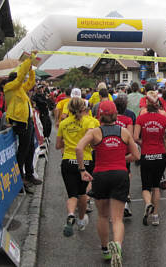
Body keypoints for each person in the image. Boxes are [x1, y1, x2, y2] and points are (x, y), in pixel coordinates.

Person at [76, 100, 140, 266]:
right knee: (117, 218)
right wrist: (121, 159)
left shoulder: (95, 132)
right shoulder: (124, 132)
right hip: (120, 174)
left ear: (100, 116)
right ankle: (117, 246)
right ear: (115, 115)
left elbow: (78, 148)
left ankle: (105, 250)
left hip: (101, 175)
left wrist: (82, 170)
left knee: (103, 215)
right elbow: (136, 155)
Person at [56, 97, 96, 237]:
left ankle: (71, 214)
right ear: (84, 108)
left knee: (72, 195)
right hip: (85, 161)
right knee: (82, 193)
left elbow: (57, 145)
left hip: (67, 161)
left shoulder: (63, 123)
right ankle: (80, 219)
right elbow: (95, 142)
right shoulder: (91, 121)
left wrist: (69, 142)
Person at [3, 51, 42, 193]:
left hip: (28, 122)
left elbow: (30, 83)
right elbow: (20, 79)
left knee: (30, 149)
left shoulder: (19, 89)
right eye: (19, 79)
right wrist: (28, 61)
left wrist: (31, 69)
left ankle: (29, 174)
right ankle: (19, 179)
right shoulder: (10, 87)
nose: (22, 81)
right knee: (23, 151)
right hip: (20, 123)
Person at [134, 90, 166, 226]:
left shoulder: (140, 118)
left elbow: (135, 137)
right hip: (160, 154)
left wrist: (143, 143)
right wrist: (164, 140)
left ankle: (148, 203)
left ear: (146, 105)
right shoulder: (164, 118)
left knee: (146, 187)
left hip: (146, 154)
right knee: (156, 187)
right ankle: (155, 216)